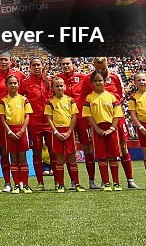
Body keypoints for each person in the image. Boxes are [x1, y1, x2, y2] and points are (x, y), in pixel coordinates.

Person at [77, 57, 137, 189]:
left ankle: (130, 180)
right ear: (93, 65)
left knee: (123, 148)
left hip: (116, 119)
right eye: (98, 68)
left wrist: (111, 114)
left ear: (107, 64)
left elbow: (121, 96)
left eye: (103, 68)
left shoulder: (115, 77)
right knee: (99, 151)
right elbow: (84, 98)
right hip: (98, 120)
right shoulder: (88, 79)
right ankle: (102, 181)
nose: (101, 71)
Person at [0, 53, 24, 192]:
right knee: (3, 151)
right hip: (1, 120)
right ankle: (7, 182)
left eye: (5, 59)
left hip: (17, 119)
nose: (3, 62)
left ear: (11, 61)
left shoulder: (19, 76)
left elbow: (23, 95)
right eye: (0, 60)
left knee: (19, 153)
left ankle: (20, 182)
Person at [56, 56, 96, 188]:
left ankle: (92, 181)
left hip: (83, 118)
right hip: (67, 120)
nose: (66, 66)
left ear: (73, 64)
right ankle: (73, 182)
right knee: (69, 151)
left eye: (68, 63)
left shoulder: (83, 77)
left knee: (88, 148)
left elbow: (92, 94)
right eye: (63, 64)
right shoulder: (58, 79)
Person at [83, 71, 123, 191]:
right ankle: (106, 182)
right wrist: (97, 129)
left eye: (100, 80)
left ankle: (116, 182)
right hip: (98, 130)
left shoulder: (111, 97)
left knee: (113, 156)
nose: (98, 83)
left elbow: (117, 115)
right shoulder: (89, 98)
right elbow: (88, 116)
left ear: (105, 82)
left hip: (111, 129)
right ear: (92, 83)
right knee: (102, 157)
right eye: (95, 81)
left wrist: (112, 128)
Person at [45, 76, 83, 192]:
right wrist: (55, 132)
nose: (60, 88)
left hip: (68, 132)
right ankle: (61, 184)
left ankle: (76, 183)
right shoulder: (50, 102)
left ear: (65, 87)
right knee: (59, 158)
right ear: (53, 88)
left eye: (61, 85)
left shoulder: (70, 100)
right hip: (57, 132)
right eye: (57, 86)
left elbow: (74, 116)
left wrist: (70, 131)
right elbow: (49, 118)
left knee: (72, 158)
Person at [20, 58, 51, 190]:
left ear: (43, 66)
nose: (36, 67)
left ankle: (58, 182)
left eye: (38, 65)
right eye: (34, 65)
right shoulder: (25, 83)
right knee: (36, 152)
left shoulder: (49, 81)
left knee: (53, 152)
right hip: (34, 123)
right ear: (30, 67)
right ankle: (40, 182)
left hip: (50, 122)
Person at [0, 74, 32, 193]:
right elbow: (2, 118)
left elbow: (27, 116)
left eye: (15, 83)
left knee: (22, 158)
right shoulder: (3, 101)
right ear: (6, 85)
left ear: (18, 85)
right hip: (10, 131)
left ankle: (25, 184)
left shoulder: (24, 99)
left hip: (21, 129)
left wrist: (22, 130)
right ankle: (17, 184)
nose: (13, 85)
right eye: (10, 83)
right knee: (13, 158)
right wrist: (9, 131)